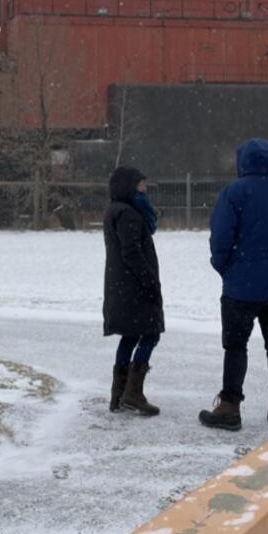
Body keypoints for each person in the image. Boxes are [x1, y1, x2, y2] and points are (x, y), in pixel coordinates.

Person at [199, 138, 268, 431]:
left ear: (242, 161)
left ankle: (230, 406)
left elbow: (221, 238)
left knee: (236, 346)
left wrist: (226, 266)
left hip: (240, 286)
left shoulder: (234, 192)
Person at [103, 166, 164, 416]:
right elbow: (131, 252)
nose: (145, 188)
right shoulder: (128, 213)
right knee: (150, 334)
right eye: (140, 184)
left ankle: (118, 395)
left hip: (122, 286)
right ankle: (133, 393)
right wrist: (149, 281)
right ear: (129, 186)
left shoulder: (116, 210)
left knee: (130, 336)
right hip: (134, 287)